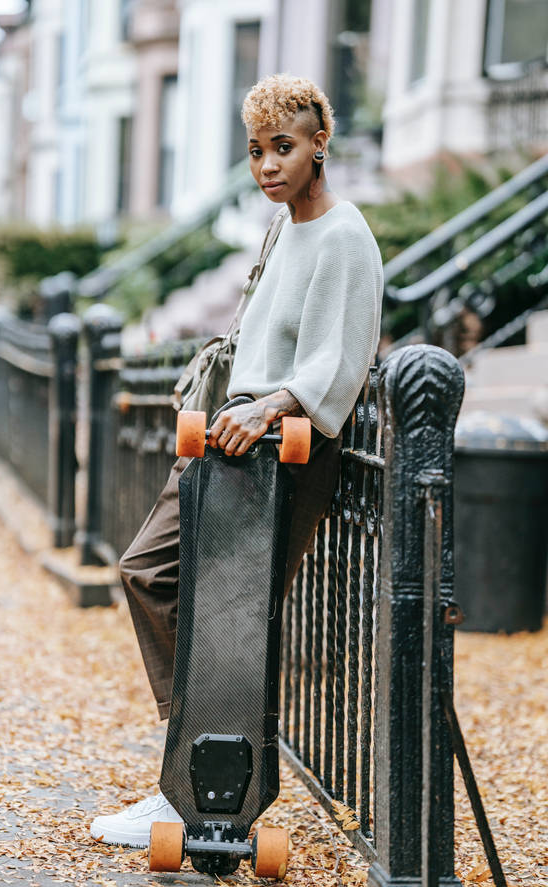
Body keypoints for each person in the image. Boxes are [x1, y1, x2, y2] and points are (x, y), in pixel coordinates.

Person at [90, 73, 383, 847]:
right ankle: (195, 753)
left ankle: (193, 788)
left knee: (235, 622)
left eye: (282, 147)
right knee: (147, 572)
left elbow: (339, 362)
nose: (267, 167)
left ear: (321, 142)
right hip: (228, 442)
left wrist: (271, 406)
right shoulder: (285, 226)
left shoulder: (345, 236)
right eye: (256, 152)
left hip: (281, 451)